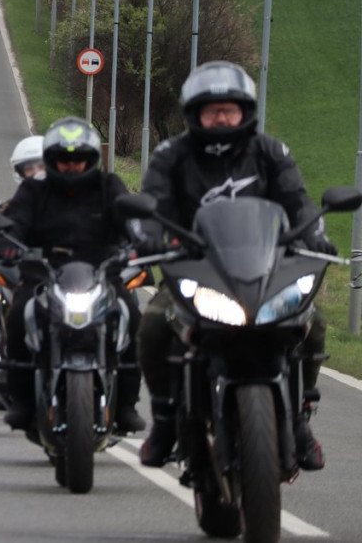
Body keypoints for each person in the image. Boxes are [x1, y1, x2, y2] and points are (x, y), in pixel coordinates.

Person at [135, 60, 334, 470]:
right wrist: (147, 237)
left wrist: (313, 236)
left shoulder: (270, 151)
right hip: (196, 269)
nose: (221, 117)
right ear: (195, 114)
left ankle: (300, 417)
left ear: (246, 112)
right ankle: (166, 418)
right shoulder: (171, 156)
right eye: (212, 110)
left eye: (230, 109)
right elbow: (151, 205)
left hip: (265, 269)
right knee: (154, 323)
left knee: (312, 322)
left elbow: (297, 201)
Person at [0, 116, 145, 434]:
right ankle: (21, 400)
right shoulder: (34, 189)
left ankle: (126, 405)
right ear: (51, 161)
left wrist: (141, 239)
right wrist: (7, 243)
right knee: (19, 315)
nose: (71, 166)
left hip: (101, 273)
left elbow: (127, 216)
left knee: (132, 316)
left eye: (78, 159)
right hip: (45, 273)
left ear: (91, 160)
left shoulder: (109, 186)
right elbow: (15, 220)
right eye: (63, 160)